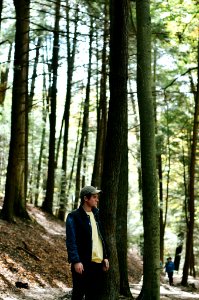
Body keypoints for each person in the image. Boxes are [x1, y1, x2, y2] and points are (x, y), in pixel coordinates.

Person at [66, 185, 110, 300]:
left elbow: (101, 238)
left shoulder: (97, 215)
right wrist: (76, 261)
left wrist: (105, 256)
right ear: (86, 198)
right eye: (94, 197)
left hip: (98, 264)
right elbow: (71, 241)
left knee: (94, 296)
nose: (97, 199)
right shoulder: (74, 216)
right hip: (82, 264)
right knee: (78, 296)